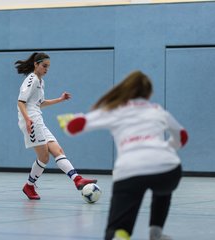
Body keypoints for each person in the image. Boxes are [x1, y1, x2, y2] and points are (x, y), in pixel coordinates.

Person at [58, 71, 188, 240]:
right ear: (148, 93)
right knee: (162, 188)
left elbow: (76, 126)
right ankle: (156, 232)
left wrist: (67, 122)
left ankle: (120, 233)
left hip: (130, 169)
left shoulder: (114, 110)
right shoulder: (157, 110)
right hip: (169, 169)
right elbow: (182, 136)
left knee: (118, 226)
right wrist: (167, 148)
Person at [15, 52, 97, 200]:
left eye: (48, 67)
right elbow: (21, 101)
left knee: (58, 150)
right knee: (44, 157)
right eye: (44, 66)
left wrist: (60, 99)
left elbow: (40, 103)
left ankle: (77, 179)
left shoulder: (41, 81)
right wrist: (27, 119)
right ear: (36, 64)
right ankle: (29, 186)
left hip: (38, 119)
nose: (46, 69)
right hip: (31, 120)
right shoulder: (31, 79)